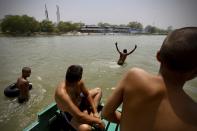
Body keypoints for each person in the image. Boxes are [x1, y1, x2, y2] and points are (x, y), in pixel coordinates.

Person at [102, 27, 197, 131]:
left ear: (158, 56)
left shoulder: (134, 76)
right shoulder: (193, 114)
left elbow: (106, 113)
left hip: (119, 63)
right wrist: (134, 48)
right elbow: (130, 52)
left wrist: (128, 120)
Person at [55, 65, 105, 131]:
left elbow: (87, 95)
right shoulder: (62, 94)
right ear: (79, 78)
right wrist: (99, 121)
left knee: (98, 90)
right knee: (86, 129)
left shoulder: (79, 82)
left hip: (80, 102)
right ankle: (89, 116)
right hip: (70, 113)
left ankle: (92, 114)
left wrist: (95, 111)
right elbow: (79, 116)